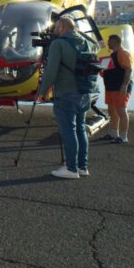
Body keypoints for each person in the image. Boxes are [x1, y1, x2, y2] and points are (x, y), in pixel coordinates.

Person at [37, 16, 97, 179]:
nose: (54, 30)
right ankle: (81, 166)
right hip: (84, 91)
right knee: (80, 128)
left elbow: (51, 71)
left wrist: (42, 92)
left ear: (62, 27)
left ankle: (71, 169)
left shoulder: (58, 44)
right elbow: (97, 48)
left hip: (66, 92)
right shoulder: (88, 43)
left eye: (56, 27)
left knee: (68, 130)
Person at [102, 34, 133, 144]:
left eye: (109, 41)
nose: (107, 43)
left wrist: (124, 85)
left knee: (121, 110)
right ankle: (114, 134)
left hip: (120, 87)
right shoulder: (113, 54)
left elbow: (128, 70)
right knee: (112, 111)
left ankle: (124, 137)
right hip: (111, 87)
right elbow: (107, 71)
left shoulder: (123, 53)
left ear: (114, 41)